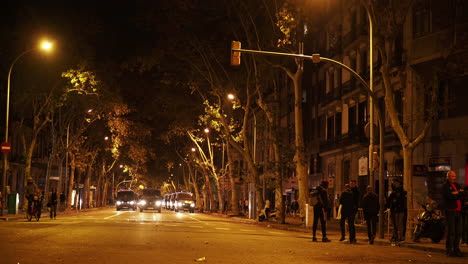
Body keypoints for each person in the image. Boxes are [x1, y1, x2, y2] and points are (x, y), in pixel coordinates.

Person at [443, 170, 464, 257]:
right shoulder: (445, 186)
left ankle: (456, 249)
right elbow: (449, 196)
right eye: (452, 176)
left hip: (459, 211)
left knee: (458, 231)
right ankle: (449, 249)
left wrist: (457, 193)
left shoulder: (457, 185)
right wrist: (458, 193)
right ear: (448, 177)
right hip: (450, 211)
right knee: (451, 232)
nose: (454, 178)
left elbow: (463, 194)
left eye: (454, 176)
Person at [387, 178, 407, 244]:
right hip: (394, 210)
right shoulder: (394, 192)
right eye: (392, 183)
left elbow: (400, 200)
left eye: (394, 182)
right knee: (395, 224)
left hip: (399, 210)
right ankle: (395, 236)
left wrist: (395, 201)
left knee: (399, 224)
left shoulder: (400, 192)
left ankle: (400, 237)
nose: (393, 184)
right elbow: (390, 200)